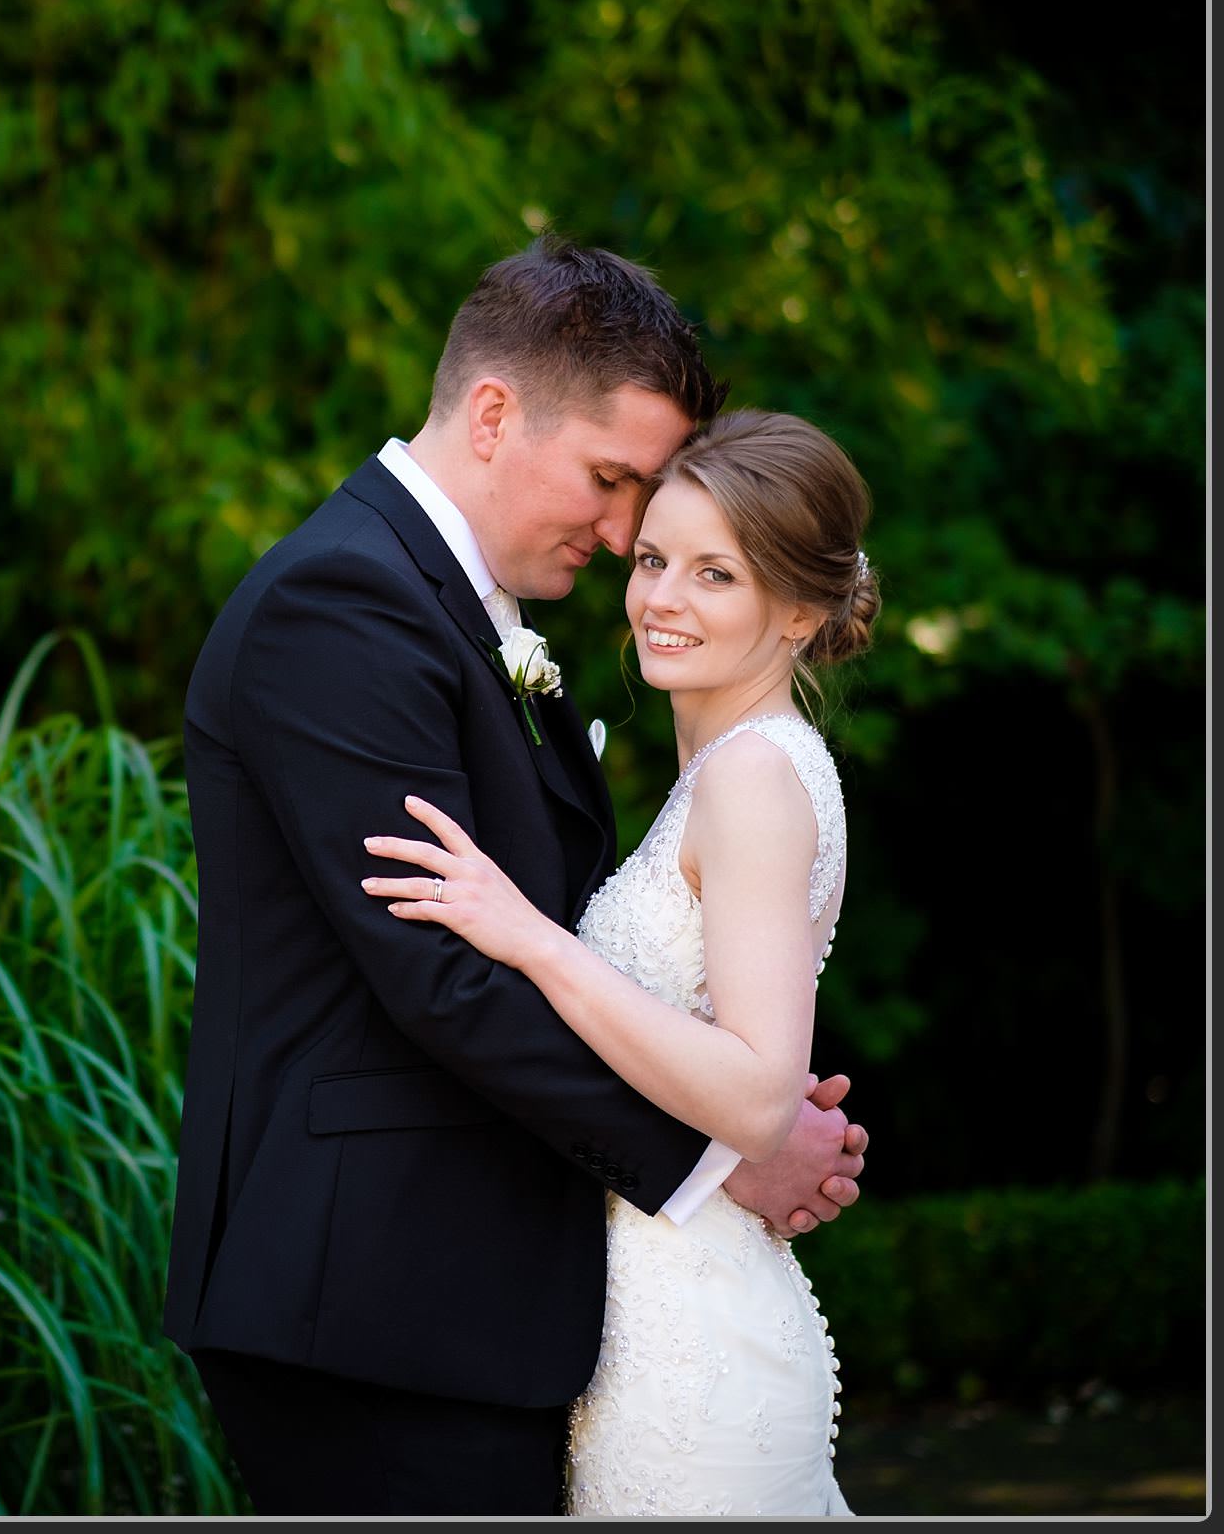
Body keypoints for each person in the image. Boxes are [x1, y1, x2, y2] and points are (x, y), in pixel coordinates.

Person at [160, 236, 869, 1516]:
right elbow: (441, 978)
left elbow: (545, 941)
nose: (623, 532)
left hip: (466, 1302)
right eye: (611, 483)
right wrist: (719, 1155)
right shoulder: (341, 604)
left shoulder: (455, 609)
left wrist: (726, 1086)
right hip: (371, 1298)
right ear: (493, 412)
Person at [358, 407, 879, 1514]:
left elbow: (755, 1091)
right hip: (646, 1316)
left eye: (714, 575)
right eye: (651, 559)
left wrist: (530, 937)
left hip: (694, 1353)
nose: (661, 599)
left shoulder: (750, 780)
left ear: (799, 609)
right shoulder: (736, 772)